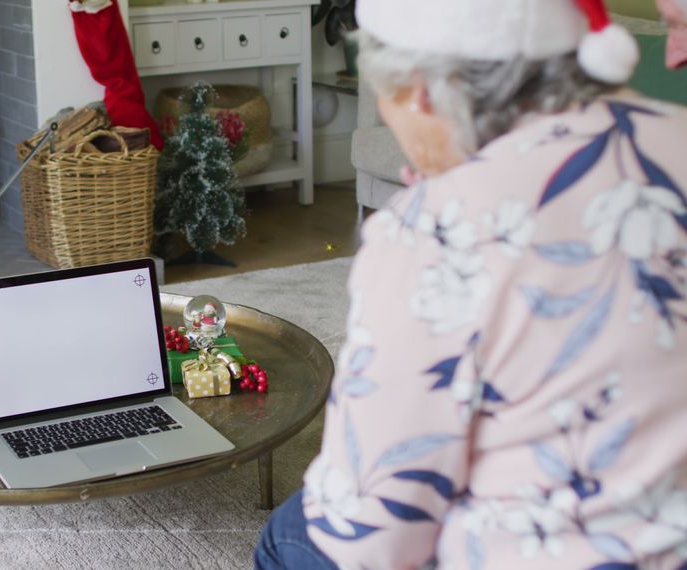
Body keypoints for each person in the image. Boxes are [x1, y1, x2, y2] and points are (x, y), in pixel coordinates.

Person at [255, 0, 687, 568]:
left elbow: (369, 531)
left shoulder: (438, 229)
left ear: (420, 92)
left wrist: (433, 215)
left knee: (291, 531)